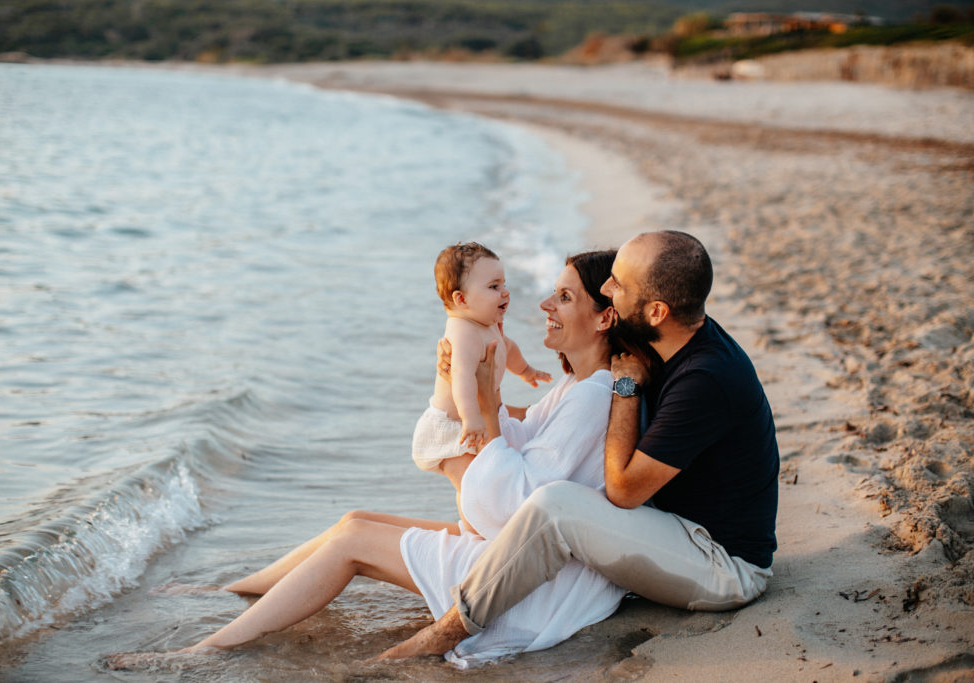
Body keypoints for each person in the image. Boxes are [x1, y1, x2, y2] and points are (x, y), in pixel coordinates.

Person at [107, 250, 654, 669]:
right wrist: (485, 399)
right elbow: (519, 444)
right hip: (526, 560)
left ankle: (204, 650)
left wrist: (487, 407)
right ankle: (231, 592)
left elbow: (515, 506)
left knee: (353, 541)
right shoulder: (577, 387)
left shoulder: (592, 397)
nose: (544, 305)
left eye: (563, 297)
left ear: (603, 318)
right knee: (355, 519)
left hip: (529, 587)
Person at [377, 230, 780, 660]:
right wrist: (477, 388)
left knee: (556, 505)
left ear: (657, 311)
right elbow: (548, 416)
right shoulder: (671, 341)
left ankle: (445, 634)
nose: (607, 289)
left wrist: (625, 389)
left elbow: (623, 490)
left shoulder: (703, 379)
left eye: (618, 285)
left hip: (723, 566)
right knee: (549, 504)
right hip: (678, 534)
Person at [413, 242, 550, 530]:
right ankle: (473, 531)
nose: (505, 292)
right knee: (470, 486)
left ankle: (480, 526)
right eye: (493, 286)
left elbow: (506, 347)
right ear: (461, 299)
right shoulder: (462, 331)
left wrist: (525, 370)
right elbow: (462, 377)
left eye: (504, 284)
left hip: (480, 421)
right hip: (456, 428)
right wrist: (471, 417)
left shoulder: (487, 324)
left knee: (487, 483)